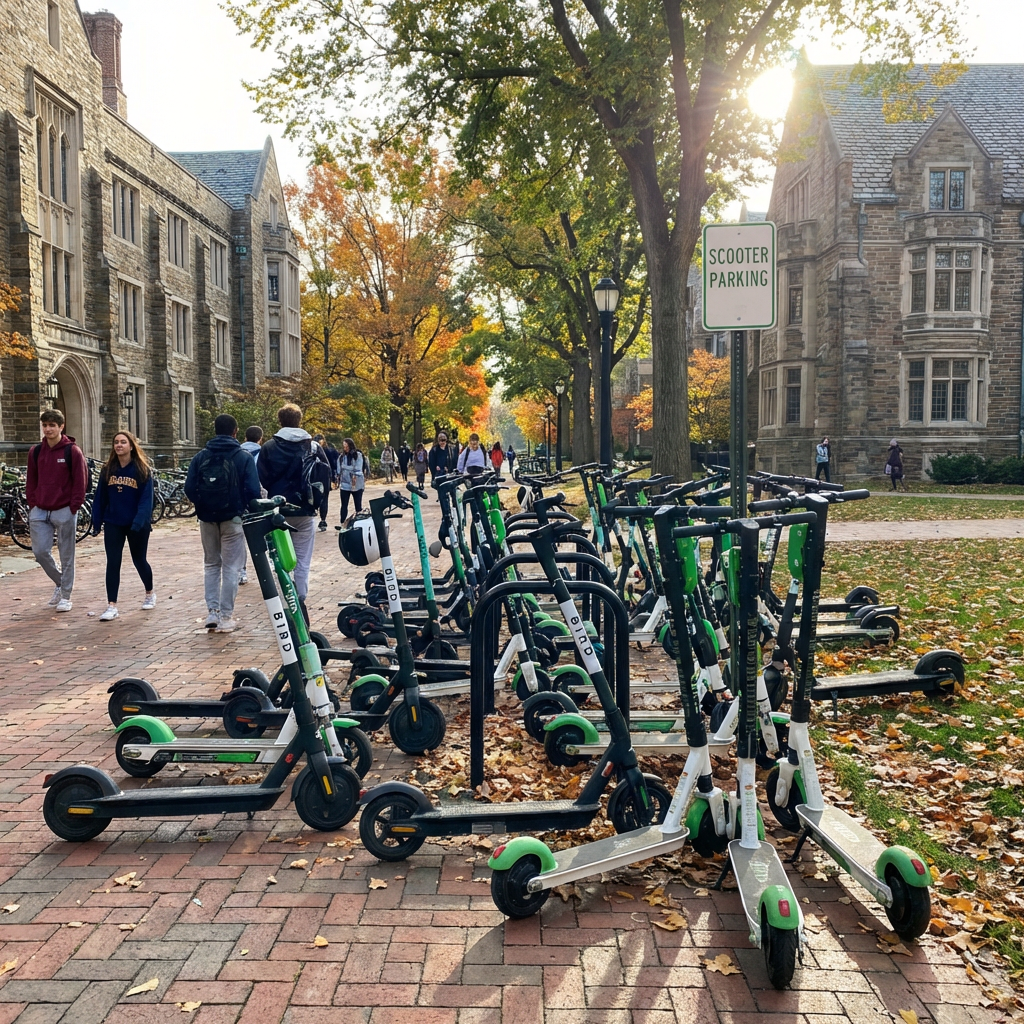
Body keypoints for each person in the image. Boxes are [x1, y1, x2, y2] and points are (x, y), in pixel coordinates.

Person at [184, 413, 262, 633]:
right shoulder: (243, 457)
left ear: (215, 430)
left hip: (207, 518)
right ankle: (226, 618)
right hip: (233, 518)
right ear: (235, 432)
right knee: (231, 567)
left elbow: (189, 488)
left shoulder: (200, 456)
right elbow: (253, 490)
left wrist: (202, 505)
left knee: (211, 564)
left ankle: (212, 612)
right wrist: (242, 507)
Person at [257, 404, 332, 622]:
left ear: (280, 421)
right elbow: (324, 477)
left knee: (279, 558)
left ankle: (285, 597)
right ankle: (300, 596)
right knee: (302, 557)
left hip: (278, 509)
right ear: (300, 420)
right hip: (305, 508)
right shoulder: (313, 447)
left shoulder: (269, 447)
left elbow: (261, 478)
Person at [26, 409, 89, 613]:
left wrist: (74, 506)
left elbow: (81, 482)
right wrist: (33, 503)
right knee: (40, 552)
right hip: (40, 510)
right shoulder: (35, 451)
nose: (48, 429)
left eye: (52, 425)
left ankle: (66, 596)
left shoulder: (72, 451)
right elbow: (31, 480)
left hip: (64, 509)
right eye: (45, 425)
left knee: (66, 555)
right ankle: (61, 583)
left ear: (61, 427)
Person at [91, 431, 155, 621]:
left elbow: (146, 501)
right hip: (114, 522)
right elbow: (100, 497)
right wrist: (97, 521)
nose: (119, 445)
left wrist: (138, 522)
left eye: (123, 442)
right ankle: (112, 605)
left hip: (136, 524)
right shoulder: (108, 469)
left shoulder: (142, 470)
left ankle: (149, 593)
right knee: (113, 562)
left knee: (139, 560)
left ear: (131, 446)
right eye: (116, 442)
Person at [237, 426, 264, 585]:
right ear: (260, 438)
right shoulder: (264, 453)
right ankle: (265, 570)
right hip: (258, 499)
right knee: (261, 535)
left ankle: (242, 571)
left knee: (239, 537)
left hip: (239, 499)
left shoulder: (236, 452)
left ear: (245, 437)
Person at [312, 434, 338, 532]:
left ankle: (323, 520)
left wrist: (334, 477)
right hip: (318, 477)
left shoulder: (328, 451)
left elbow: (333, 463)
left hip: (323, 477)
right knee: (320, 498)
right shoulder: (313, 451)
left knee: (324, 498)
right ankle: (319, 517)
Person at [337, 438, 368, 520]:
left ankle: (359, 523)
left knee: (358, 506)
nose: (345, 448)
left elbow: (358, 468)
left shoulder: (358, 455)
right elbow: (339, 469)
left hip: (356, 483)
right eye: (344, 446)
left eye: (347, 446)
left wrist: (345, 467)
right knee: (344, 505)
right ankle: (342, 523)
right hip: (345, 484)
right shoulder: (341, 457)